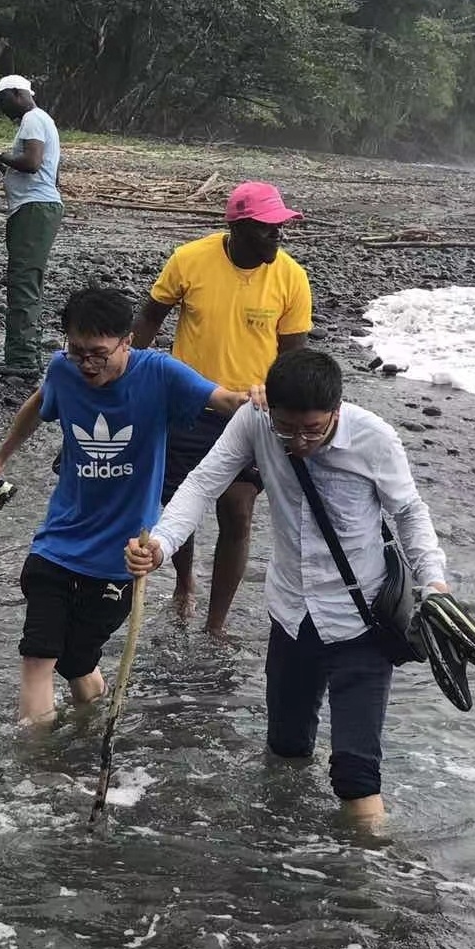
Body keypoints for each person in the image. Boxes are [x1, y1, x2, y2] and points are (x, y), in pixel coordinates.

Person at [126, 349, 449, 823]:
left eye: (314, 430)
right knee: (286, 752)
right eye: (287, 429)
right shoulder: (256, 421)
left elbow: (409, 513)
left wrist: (434, 585)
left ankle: (367, 884)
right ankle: (284, 856)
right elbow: (201, 485)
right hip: (291, 617)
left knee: (357, 777)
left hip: (362, 623)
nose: (299, 441)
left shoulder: (374, 438)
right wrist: (162, 544)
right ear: (270, 408)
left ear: (337, 410)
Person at [0, 288, 255, 726]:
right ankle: (37, 770)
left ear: (128, 341)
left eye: (99, 353)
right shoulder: (63, 371)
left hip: (123, 556)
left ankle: (92, 728)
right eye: (77, 350)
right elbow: (40, 402)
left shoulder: (159, 374)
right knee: (38, 655)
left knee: (77, 664)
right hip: (58, 541)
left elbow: (224, 401)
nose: (87, 364)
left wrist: (257, 397)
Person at [131, 181, 312, 637]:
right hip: (190, 403)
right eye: (270, 230)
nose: (278, 237)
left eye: (281, 229)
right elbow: (151, 314)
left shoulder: (290, 277)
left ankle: (216, 623)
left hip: (251, 414)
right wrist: (128, 371)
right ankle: (184, 582)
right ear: (240, 227)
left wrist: (289, 416)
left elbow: (294, 355)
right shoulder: (190, 259)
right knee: (180, 506)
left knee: (237, 511)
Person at [0, 74, 63, 378]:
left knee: (23, 281)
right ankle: (28, 354)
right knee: (28, 280)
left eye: (2, 100)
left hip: (33, 209)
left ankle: (22, 359)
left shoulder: (32, 119)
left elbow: (32, 162)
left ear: (17, 94)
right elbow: (52, 174)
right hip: (38, 207)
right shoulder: (43, 120)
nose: (1, 107)